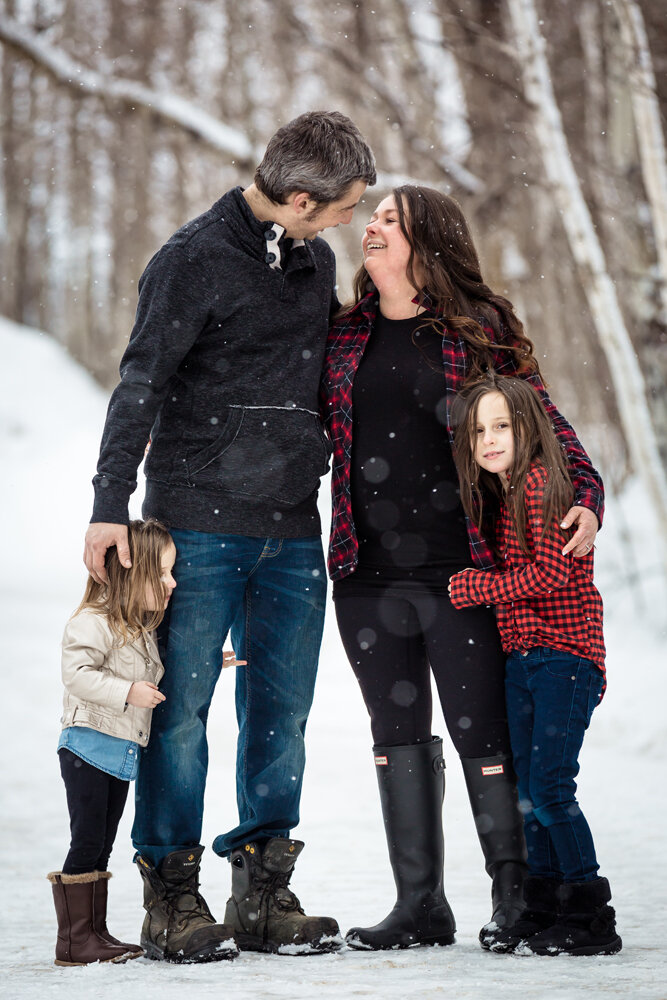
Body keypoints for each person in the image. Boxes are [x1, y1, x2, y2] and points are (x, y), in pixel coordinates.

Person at [83, 111, 376, 960]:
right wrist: (110, 503)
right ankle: (172, 891)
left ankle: (262, 885)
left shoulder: (312, 259)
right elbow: (140, 382)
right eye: (340, 208)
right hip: (197, 526)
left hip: (290, 528)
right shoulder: (188, 262)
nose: (347, 224)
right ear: (295, 197)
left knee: (280, 714)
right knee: (179, 715)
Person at [320, 185, 604, 951]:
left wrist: (589, 495)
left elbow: (542, 419)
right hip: (364, 572)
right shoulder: (342, 334)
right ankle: (420, 904)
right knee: (395, 733)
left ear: (425, 244)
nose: (370, 228)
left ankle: (515, 897)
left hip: (465, 568)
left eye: (387, 221)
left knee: (484, 737)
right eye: (370, 218)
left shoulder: (480, 331)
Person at [448, 374, 621, 957]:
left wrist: (476, 587)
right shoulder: (508, 493)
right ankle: (544, 904)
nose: (490, 439)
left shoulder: (544, 485)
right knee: (530, 788)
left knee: (549, 788)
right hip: (526, 657)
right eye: (478, 430)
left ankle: (591, 913)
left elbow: (548, 576)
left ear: (531, 429)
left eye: (502, 426)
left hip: (563, 657)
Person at [49, 519, 178, 965]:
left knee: (102, 843)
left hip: (118, 749)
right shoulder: (94, 621)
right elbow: (77, 675)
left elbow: (147, 671)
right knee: (86, 841)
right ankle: (73, 942)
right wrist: (126, 693)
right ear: (129, 572)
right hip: (87, 747)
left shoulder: (137, 626)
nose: (171, 582)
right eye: (161, 573)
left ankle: (93, 934)